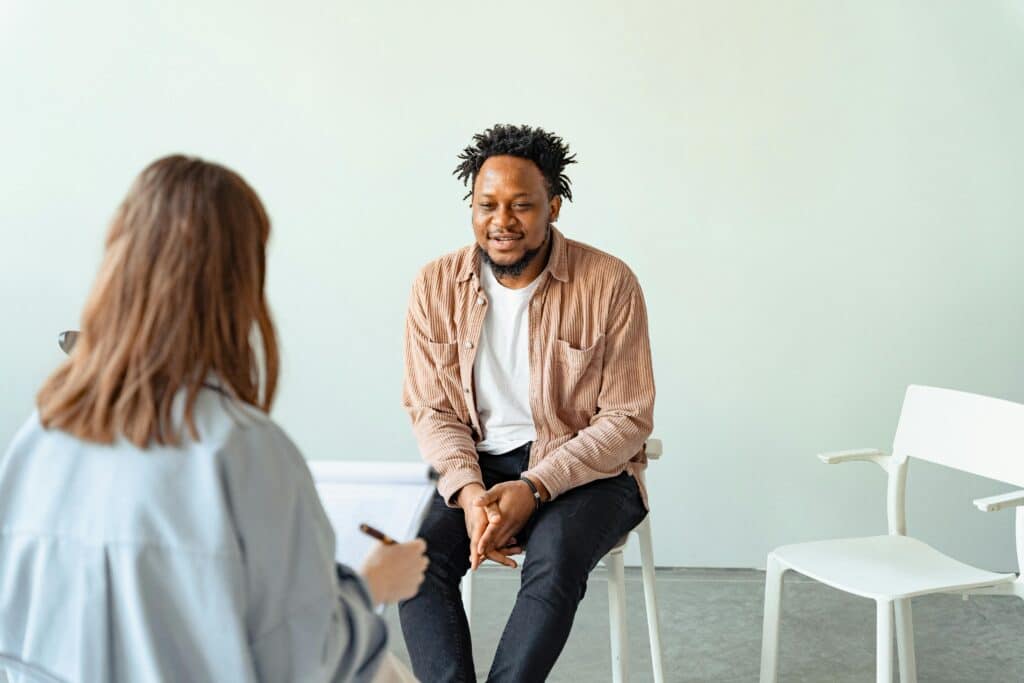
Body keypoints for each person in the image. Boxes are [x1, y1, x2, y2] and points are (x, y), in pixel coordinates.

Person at [0, 155, 426, 683]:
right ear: (240, 285)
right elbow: (304, 666)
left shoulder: (41, 437)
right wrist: (369, 591)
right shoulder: (245, 451)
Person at [399, 125, 655, 682]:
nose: (502, 222)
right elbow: (432, 409)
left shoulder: (609, 283)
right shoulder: (435, 286)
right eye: (487, 205)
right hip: (478, 464)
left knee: (554, 557)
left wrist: (535, 487)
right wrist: (469, 493)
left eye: (522, 206)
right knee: (415, 560)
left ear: (553, 207)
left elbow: (628, 417)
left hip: (586, 471)